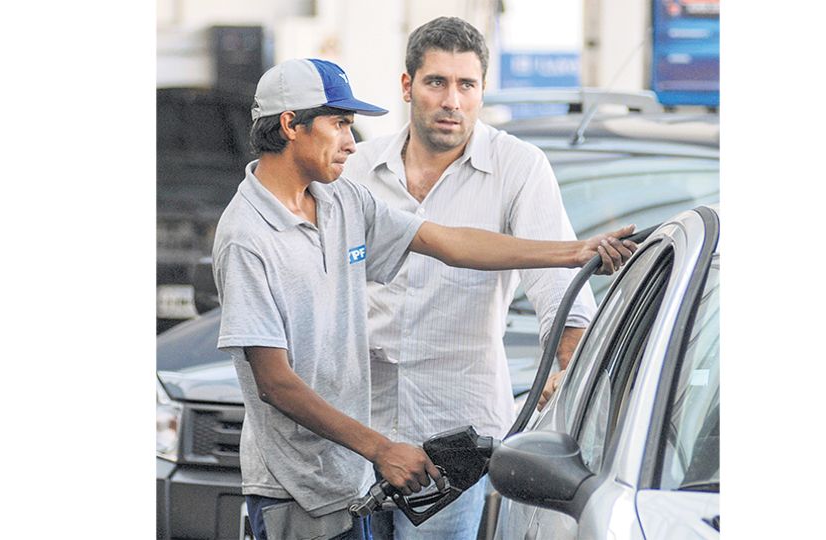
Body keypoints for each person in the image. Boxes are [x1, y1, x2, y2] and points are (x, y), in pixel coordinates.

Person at [213, 58, 637, 540]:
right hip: (296, 488)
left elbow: (446, 242)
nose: (352, 143)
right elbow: (275, 383)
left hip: (350, 473)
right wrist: (381, 448)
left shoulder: (342, 201)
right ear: (291, 124)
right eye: (340, 124)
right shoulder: (247, 236)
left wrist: (574, 252)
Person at [342, 17, 637, 540]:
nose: (452, 100)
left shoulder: (518, 167)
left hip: (452, 439)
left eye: (467, 85)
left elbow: (557, 292)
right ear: (407, 85)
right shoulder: (357, 169)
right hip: (354, 428)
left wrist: (569, 372)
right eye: (436, 82)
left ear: (482, 90)